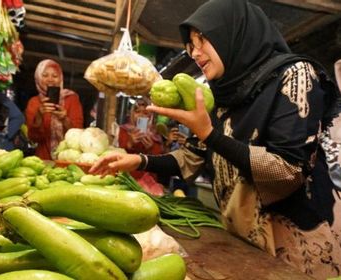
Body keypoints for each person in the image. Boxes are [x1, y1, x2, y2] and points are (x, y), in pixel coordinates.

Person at [90, 0, 341, 278]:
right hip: (244, 239)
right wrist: (137, 160)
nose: (195, 53)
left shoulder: (294, 76)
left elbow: (287, 170)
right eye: (190, 45)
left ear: (231, 33)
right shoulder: (222, 96)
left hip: (296, 244)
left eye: (202, 41)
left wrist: (209, 133)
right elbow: (191, 158)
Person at [25, 59, 83, 160]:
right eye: (45, 75)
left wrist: (65, 119)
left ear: (60, 78)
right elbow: (33, 138)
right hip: (43, 159)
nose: (50, 79)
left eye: (55, 76)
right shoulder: (34, 102)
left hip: (68, 158)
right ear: (38, 77)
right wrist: (39, 116)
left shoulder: (71, 99)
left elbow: (78, 134)